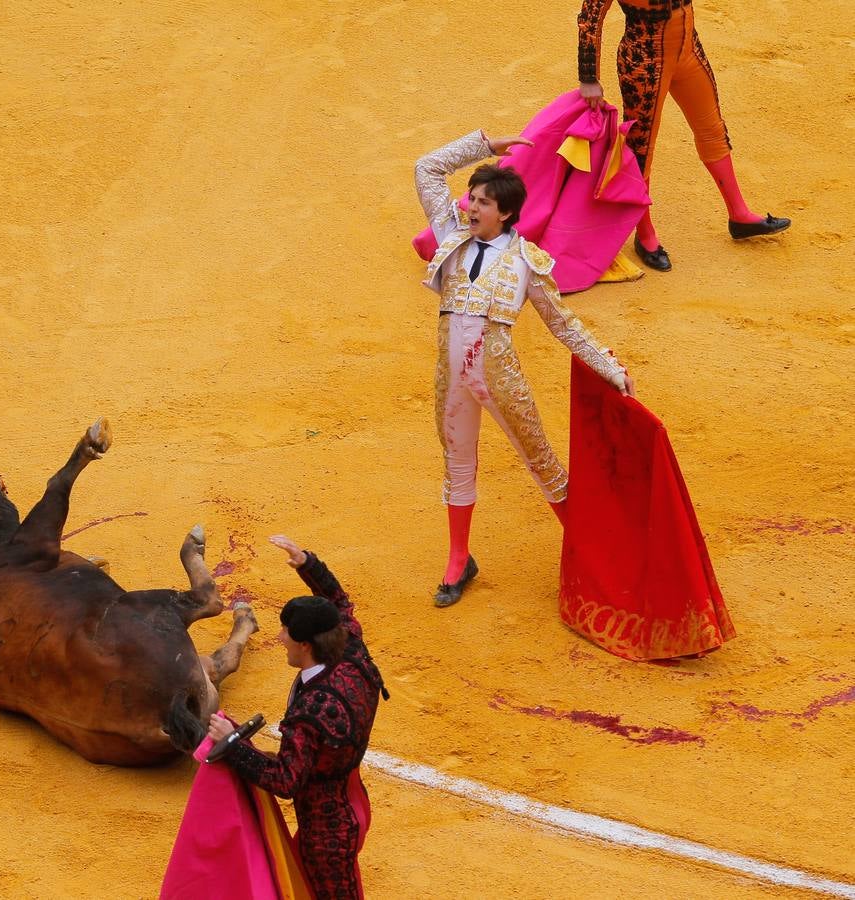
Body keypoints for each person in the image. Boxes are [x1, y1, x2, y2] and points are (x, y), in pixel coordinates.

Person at [415, 129, 636, 607]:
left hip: (499, 377)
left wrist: (608, 368)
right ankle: (459, 561)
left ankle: (589, 552)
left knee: (542, 462)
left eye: (481, 203)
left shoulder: (526, 263)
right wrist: (484, 145)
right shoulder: (450, 233)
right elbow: (427, 167)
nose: (470, 208)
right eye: (470, 198)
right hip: (450, 374)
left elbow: (563, 323)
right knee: (457, 465)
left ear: (506, 212)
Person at [207, 535, 386, 900]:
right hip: (352, 799)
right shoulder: (351, 651)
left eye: (286, 632)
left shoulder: (312, 711)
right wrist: (307, 563)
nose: (280, 637)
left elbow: (285, 780)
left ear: (305, 644)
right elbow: (340, 603)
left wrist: (233, 743)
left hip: (327, 829)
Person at [577, 0, 791, 270]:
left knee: (712, 128)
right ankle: (645, 235)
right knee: (640, 149)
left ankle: (739, 214)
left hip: (688, 49)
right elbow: (590, 18)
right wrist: (588, 77)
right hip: (645, 61)